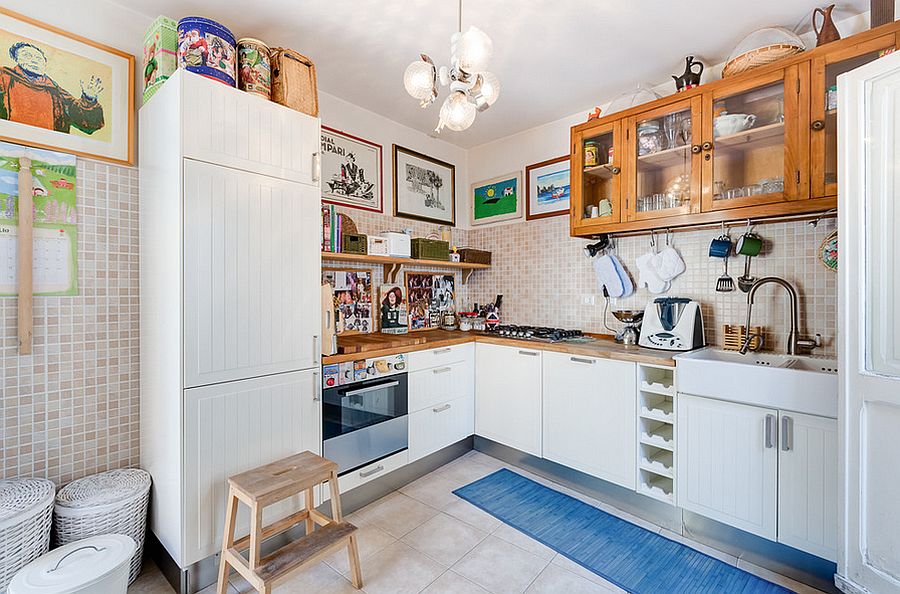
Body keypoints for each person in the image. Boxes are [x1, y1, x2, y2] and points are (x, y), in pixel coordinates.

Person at [0, 41, 104, 134]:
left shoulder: (55, 91)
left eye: (38, 58)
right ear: (16, 59)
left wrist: (89, 99)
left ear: (44, 64)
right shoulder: (4, 77)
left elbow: (85, 123)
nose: (34, 61)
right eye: (27, 56)